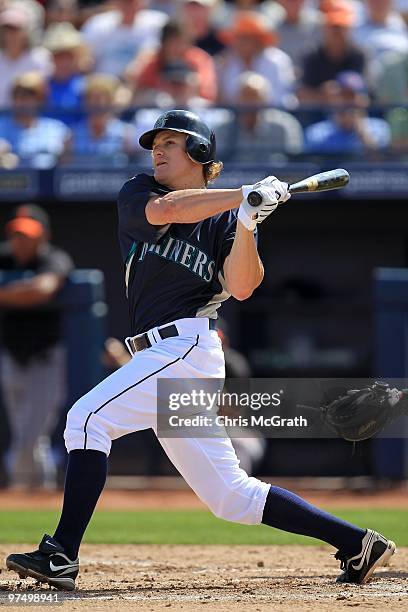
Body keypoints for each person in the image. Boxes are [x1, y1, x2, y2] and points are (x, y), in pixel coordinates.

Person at [6, 109, 396, 591]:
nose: (158, 150)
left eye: (170, 143)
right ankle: (357, 541)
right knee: (230, 496)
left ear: (200, 153)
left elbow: (243, 285)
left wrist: (249, 221)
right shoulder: (139, 191)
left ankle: (61, 553)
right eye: (156, 142)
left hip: (186, 346)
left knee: (87, 420)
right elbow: (169, 213)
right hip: (164, 353)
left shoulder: (226, 221)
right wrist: (242, 194)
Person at [0, 204, 74, 490]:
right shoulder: (5, 258)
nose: (21, 241)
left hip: (45, 358)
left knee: (30, 434)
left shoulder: (53, 258)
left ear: (42, 236)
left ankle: (21, 485)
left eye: (27, 235)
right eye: (17, 235)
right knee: (25, 432)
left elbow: (41, 290)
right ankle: (42, 488)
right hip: (11, 355)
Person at [216, 10, 297, 107]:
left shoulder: (277, 61)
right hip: (234, 117)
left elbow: (282, 97)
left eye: (248, 37)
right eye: (239, 37)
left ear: (260, 40)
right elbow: (223, 100)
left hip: (271, 115)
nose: (242, 42)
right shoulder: (226, 62)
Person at [127, 20, 217, 104]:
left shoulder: (199, 59)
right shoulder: (153, 61)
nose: (176, 47)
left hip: (190, 106)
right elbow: (138, 92)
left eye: (180, 41)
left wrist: (186, 87)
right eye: (171, 41)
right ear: (163, 42)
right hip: (160, 109)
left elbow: (208, 93)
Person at [304, 71, 390, 155]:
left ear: (365, 100)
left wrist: (361, 131)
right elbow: (314, 163)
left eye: (355, 95)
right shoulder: (316, 132)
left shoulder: (381, 128)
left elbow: (379, 163)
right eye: (345, 95)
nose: (351, 101)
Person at [298, 2, 365, 104]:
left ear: (349, 30)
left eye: (341, 27)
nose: (337, 32)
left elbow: (364, 97)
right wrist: (323, 94)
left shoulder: (358, 55)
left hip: (350, 112)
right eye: (333, 27)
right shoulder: (312, 56)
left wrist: (342, 93)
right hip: (318, 115)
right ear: (324, 29)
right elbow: (302, 95)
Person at [0, 72, 71, 167]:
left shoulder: (57, 129)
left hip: (48, 180)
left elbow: (65, 165)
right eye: (16, 95)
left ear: (40, 99)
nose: (21, 101)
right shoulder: (2, 127)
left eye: (28, 96)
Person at [80, 0, 167, 77]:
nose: (128, 5)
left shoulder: (158, 23)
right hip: (103, 85)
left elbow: (156, 52)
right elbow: (86, 58)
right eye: (124, 1)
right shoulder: (98, 24)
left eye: (132, 1)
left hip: (141, 85)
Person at [0, 5, 52, 108]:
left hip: (31, 119)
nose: (10, 34)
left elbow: (43, 94)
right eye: (6, 30)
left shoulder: (41, 58)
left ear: (26, 32)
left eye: (15, 29)